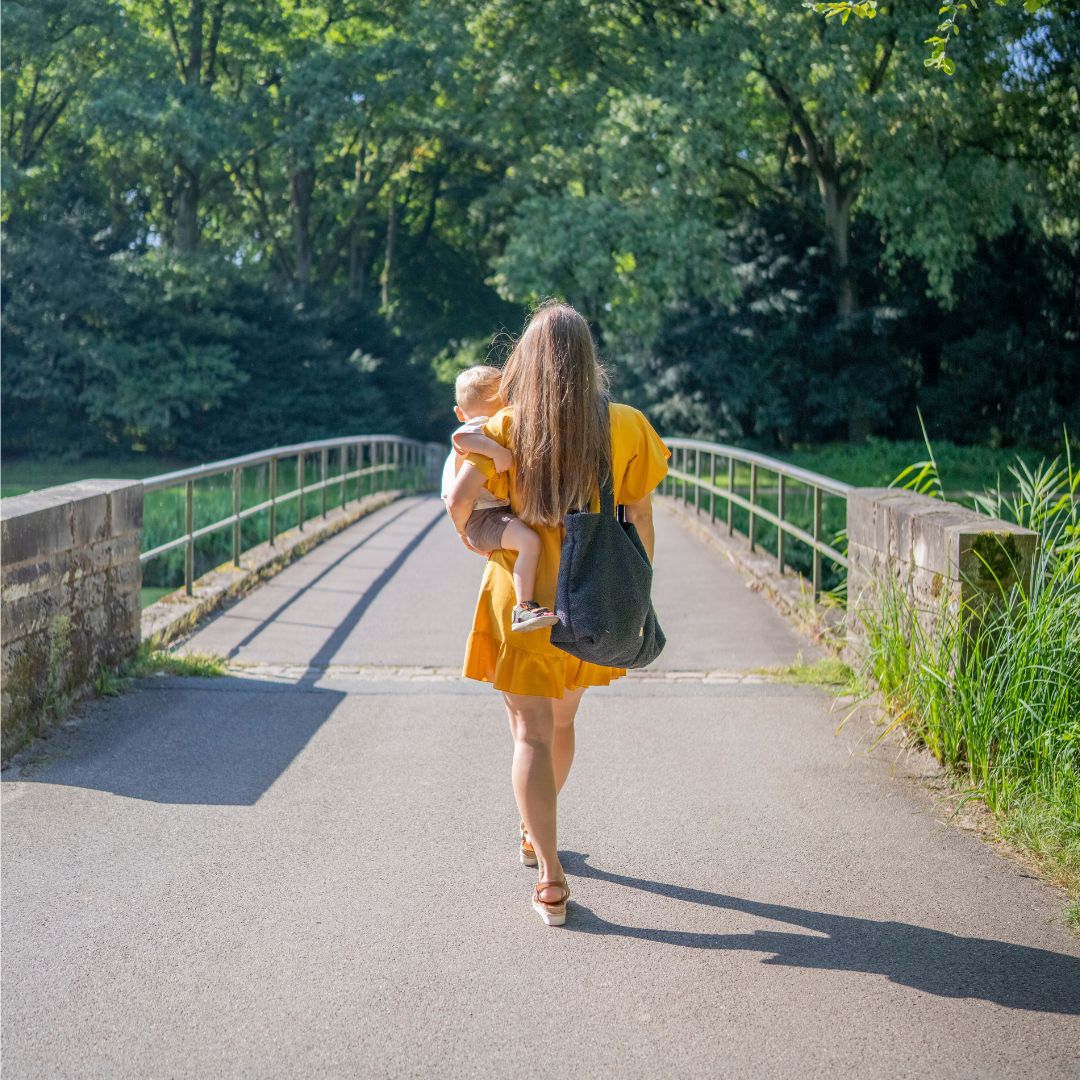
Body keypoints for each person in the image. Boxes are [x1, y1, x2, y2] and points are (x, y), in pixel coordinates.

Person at [445, 302, 669, 926]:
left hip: (523, 603)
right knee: (563, 725)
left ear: (528, 362)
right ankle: (534, 835)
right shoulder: (624, 424)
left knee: (529, 735)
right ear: (589, 360)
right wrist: (637, 588)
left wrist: (491, 536)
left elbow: (460, 507)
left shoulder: (505, 427)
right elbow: (641, 515)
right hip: (588, 599)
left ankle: (550, 876)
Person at [441, 365, 559, 632]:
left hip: (482, 515)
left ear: (458, 412)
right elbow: (461, 437)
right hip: (481, 517)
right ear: (506, 401)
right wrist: (496, 450)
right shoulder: (484, 427)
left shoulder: (476, 422)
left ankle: (524, 605)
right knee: (529, 542)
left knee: (527, 542)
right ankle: (524, 608)